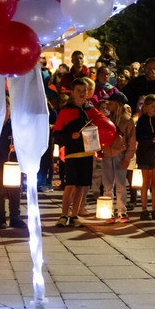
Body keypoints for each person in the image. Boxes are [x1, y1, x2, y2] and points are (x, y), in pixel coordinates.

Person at [52, 78, 109, 227]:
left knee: (82, 186)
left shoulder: (90, 109)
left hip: (87, 153)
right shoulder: (66, 110)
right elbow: (56, 133)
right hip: (72, 152)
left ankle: (75, 215)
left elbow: (103, 122)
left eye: (85, 91)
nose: (82, 94)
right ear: (72, 92)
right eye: (79, 91)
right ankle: (64, 214)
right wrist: (70, 136)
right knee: (71, 184)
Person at [100, 92, 134, 224]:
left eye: (111, 103)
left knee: (120, 184)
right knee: (107, 184)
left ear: (118, 105)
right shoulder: (107, 119)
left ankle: (122, 210)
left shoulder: (127, 120)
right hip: (107, 154)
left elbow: (131, 142)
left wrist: (127, 158)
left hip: (120, 155)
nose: (108, 105)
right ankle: (108, 211)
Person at [0, 108, 23, 229]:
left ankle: (15, 217)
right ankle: (1, 219)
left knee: (15, 191)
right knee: (0, 192)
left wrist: (16, 146)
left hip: (13, 163)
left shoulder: (14, 124)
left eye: (7, 109)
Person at [134, 94, 155, 220]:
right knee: (145, 182)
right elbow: (139, 137)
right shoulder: (142, 120)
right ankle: (144, 209)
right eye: (152, 106)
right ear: (146, 107)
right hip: (145, 153)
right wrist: (150, 139)